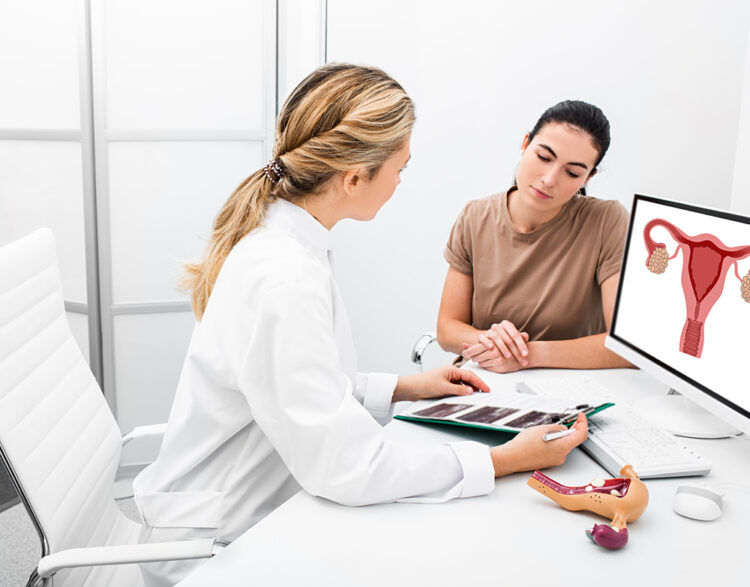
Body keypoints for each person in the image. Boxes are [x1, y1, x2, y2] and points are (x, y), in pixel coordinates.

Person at [133, 65, 588, 586]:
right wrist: (502, 460)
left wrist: (407, 387)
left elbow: (296, 387)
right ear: (353, 179)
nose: (400, 182)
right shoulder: (287, 277)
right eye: (400, 168)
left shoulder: (284, 240)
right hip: (212, 551)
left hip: (244, 511)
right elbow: (347, 467)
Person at [437, 100, 632, 373]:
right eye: (544, 157)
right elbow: (447, 329)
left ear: (588, 177)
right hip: (486, 380)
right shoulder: (475, 217)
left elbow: (624, 346)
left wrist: (525, 355)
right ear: (525, 143)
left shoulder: (606, 221)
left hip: (568, 387)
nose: (549, 179)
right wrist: (493, 342)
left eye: (572, 172)